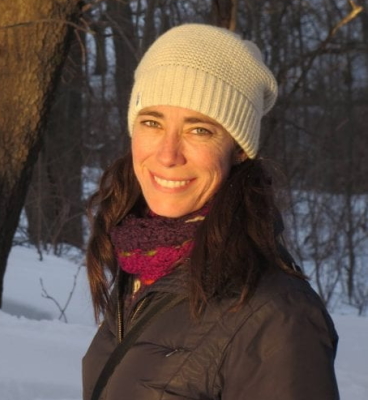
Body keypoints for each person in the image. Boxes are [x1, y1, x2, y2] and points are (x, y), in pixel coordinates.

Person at [82, 24, 339, 400]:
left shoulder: (278, 316)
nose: (168, 154)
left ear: (238, 150)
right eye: (152, 122)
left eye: (199, 130)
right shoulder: (142, 268)